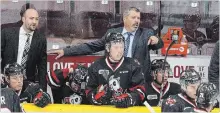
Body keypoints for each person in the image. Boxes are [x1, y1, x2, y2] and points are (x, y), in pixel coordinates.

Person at [48, 7, 164, 83]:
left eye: (138, 18)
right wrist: (65, 51)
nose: (137, 20)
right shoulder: (112, 33)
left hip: (138, 81)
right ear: (125, 19)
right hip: (115, 79)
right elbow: (92, 46)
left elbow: (159, 44)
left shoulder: (146, 33)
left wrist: (156, 40)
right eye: (133, 17)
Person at [85, 32, 145, 108]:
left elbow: (141, 90)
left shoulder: (133, 65)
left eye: (122, 47)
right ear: (107, 48)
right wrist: (97, 97)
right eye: (116, 47)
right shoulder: (96, 66)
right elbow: (88, 90)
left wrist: (129, 99)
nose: (119, 51)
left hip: (127, 110)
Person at [1, 8, 47, 91]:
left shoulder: (41, 39)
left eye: (36, 19)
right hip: (6, 81)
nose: (34, 22)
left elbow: (42, 67)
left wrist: (43, 90)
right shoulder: (6, 34)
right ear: (23, 19)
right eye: (31, 18)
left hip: (27, 84)